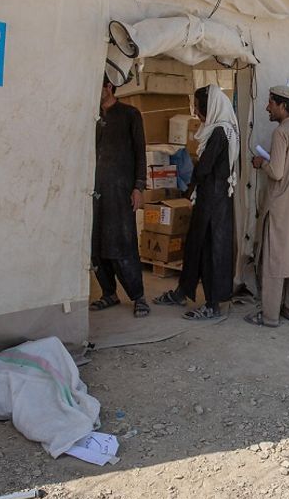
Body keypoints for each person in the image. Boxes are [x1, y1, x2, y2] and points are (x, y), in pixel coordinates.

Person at [155, 85, 239, 320]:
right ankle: (183, 291)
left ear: (211, 106)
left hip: (213, 199)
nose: (198, 113)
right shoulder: (221, 129)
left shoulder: (220, 132)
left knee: (212, 249)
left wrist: (187, 184)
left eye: (200, 107)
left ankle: (212, 304)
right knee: (195, 246)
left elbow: (204, 168)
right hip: (212, 196)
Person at [245, 86, 289, 327]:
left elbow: (277, 172)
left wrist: (261, 163)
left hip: (279, 204)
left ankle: (269, 315)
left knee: (273, 260)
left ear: (282, 105)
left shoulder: (281, 131)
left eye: (271, 103)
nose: (267, 108)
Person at [91, 75, 148, 318]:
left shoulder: (129, 114)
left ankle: (138, 297)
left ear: (109, 87)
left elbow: (140, 152)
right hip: (94, 193)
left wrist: (139, 187)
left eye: (99, 86)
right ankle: (109, 293)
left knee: (122, 244)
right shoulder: (91, 117)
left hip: (121, 191)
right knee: (96, 246)